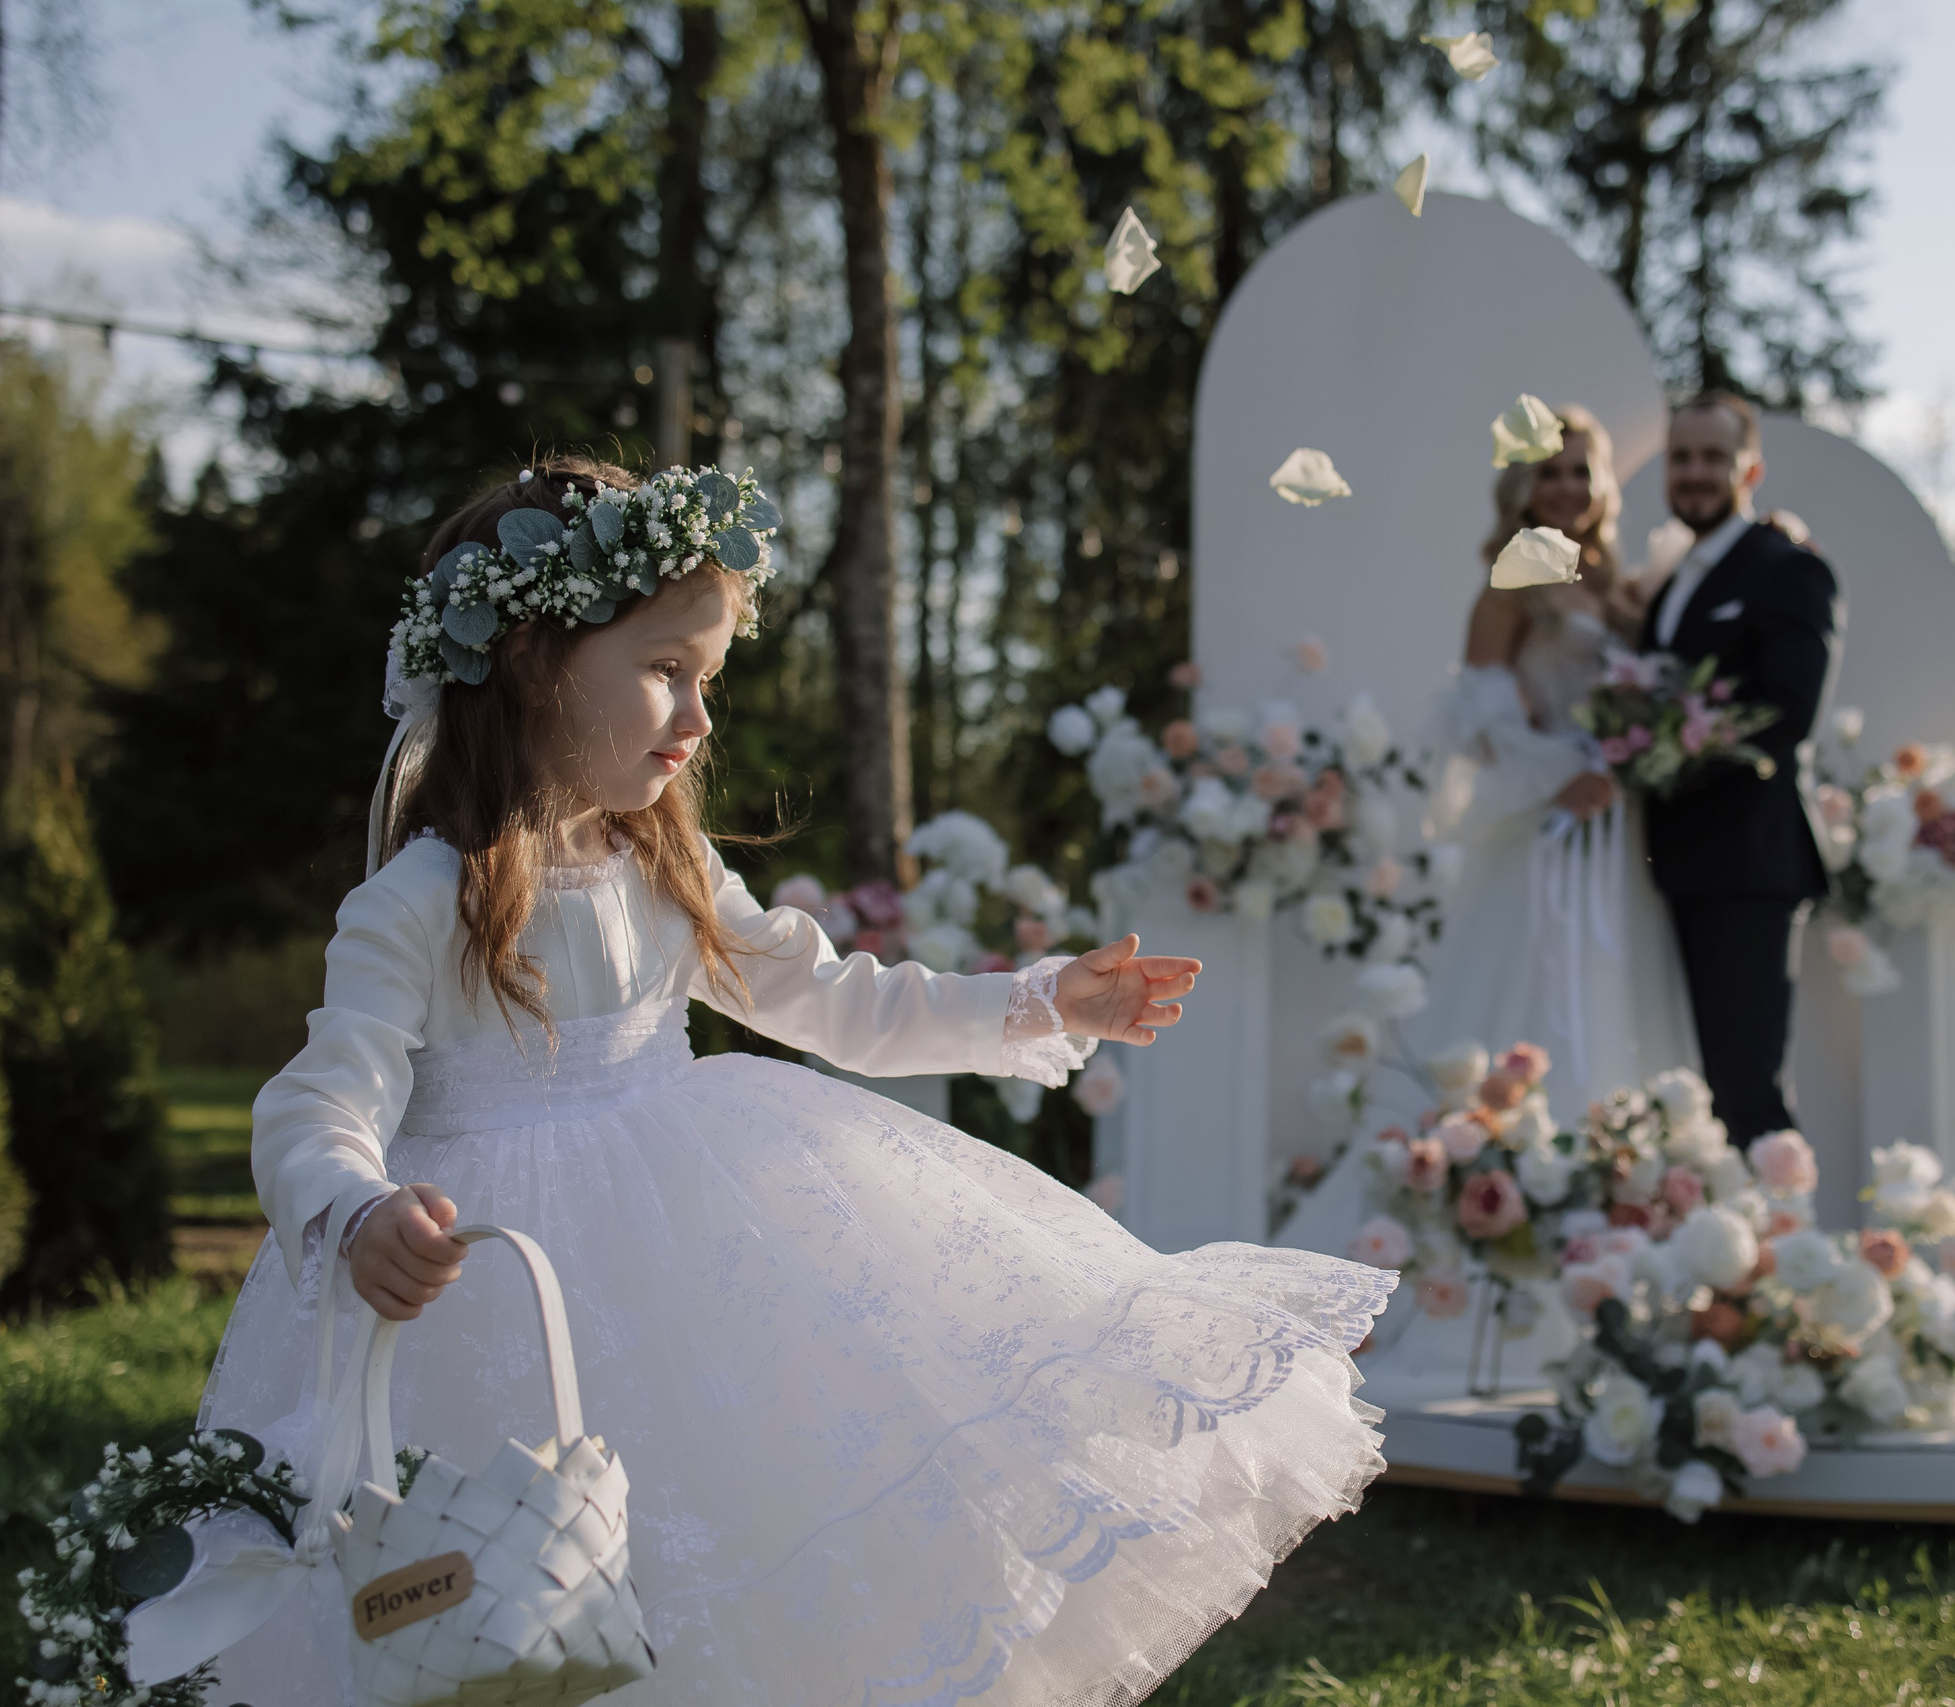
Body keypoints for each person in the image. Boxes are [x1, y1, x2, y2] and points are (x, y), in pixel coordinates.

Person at [194, 457, 1395, 1706]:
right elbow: (317, 1102)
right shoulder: (419, 902)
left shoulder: (666, 869)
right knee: (509, 1588)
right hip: (494, 1285)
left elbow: (834, 1000)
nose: (697, 718)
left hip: (690, 1255)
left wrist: (1036, 1002)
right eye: (667, 669)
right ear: (537, 662)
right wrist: (355, 1208)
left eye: (707, 679)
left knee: (722, 1537)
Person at [1417, 403, 1698, 1121]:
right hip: (1552, 822)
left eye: (1581, 471)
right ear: (1524, 487)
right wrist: (1561, 776)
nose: (1568, 487)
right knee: (1538, 983)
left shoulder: (1611, 585)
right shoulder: (1510, 582)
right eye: (1550, 473)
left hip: (1618, 826)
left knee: (1615, 983)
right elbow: (1479, 716)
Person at [1639, 392, 1844, 1144]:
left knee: (1746, 1089)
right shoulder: (1674, 579)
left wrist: (1670, 749)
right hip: (1672, 866)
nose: (1694, 472)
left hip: (1748, 866)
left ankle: (1784, 1220)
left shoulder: (1787, 568)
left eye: (1713, 457)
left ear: (1749, 469)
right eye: (1682, 457)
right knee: (1692, 1095)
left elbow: (1789, 711)